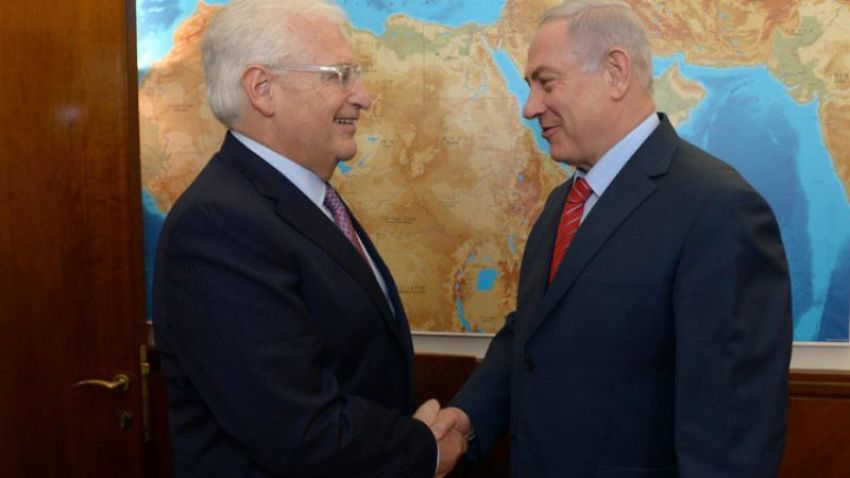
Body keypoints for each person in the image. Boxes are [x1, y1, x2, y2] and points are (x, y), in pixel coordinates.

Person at [433, 1, 793, 476]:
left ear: (616, 73)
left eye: (546, 83)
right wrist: (467, 419)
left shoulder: (719, 210)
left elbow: (730, 438)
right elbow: (534, 333)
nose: (530, 107)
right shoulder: (563, 204)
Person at [152, 1, 464, 476]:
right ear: (262, 89)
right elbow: (295, 429)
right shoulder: (217, 225)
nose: (363, 97)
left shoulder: (305, 199)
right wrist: (424, 450)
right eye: (339, 75)